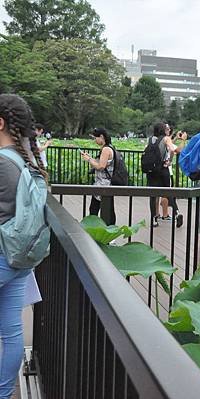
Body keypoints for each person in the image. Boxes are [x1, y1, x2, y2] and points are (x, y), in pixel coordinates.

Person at [0, 94, 48, 399]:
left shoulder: (2, 162)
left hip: (2, 255)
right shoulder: (24, 161)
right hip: (21, 259)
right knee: (12, 331)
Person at [81, 128, 116, 225]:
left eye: (95, 138)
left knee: (96, 210)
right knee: (105, 209)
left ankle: (98, 231)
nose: (94, 140)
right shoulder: (109, 147)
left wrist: (88, 160)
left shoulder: (106, 149)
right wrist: (90, 158)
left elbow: (101, 166)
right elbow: (100, 164)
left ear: (101, 136)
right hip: (103, 184)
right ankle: (108, 231)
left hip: (103, 184)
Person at [146, 122, 176, 227]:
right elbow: (172, 149)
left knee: (153, 195)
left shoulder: (150, 139)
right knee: (167, 191)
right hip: (162, 169)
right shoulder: (166, 138)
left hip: (151, 171)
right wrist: (170, 161)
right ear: (163, 130)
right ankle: (176, 213)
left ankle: (154, 219)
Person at [159, 125, 187, 227]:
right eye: (167, 129)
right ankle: (177, 213)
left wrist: (175, 138)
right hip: (166, 171)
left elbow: (168, 145)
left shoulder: (156, 139)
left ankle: (157, 215)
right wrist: (183, 141)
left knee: (156, 193)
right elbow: (176, 150)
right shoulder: (166, 139)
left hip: (156, 171)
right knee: (169, 192)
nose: (169, 130)